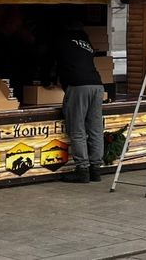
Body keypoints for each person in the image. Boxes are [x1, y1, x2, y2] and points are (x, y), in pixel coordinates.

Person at [53, 19, 106, 183]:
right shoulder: (85, 40)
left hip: (78, 85)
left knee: (77, 129)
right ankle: (96, 169)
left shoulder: (61, 40)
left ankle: (82, 169)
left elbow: (53, 63)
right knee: (96, 128)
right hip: (97, 85)